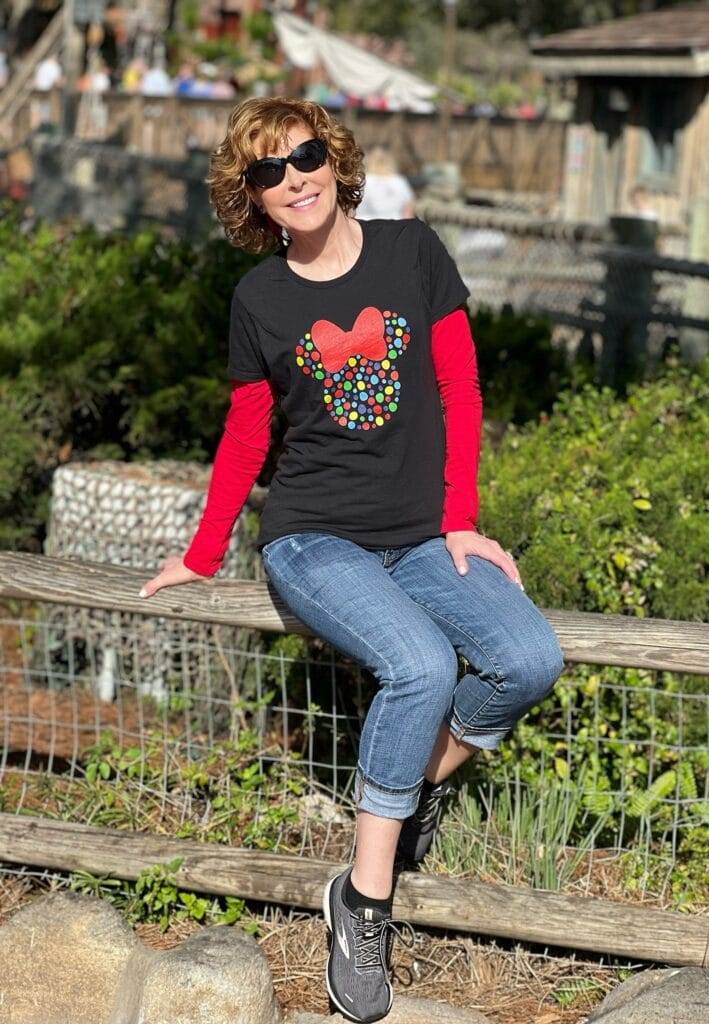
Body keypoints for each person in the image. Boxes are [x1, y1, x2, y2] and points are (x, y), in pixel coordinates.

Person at [138, 97, 565, 1023]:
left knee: (530, 659)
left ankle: (397, 798)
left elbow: (459, 388)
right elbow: (248, 433)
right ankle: (367, 904)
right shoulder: (260, 300)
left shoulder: (414, 252)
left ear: (332, 158)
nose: (292, 178)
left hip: (421, 534)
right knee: (418, 666)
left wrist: (461, 522)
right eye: (267, 171)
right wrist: (203, 554)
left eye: (302, 156)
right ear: (249, 196)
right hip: (312, 537)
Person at [355, 144, 415, 220]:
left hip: (364, 225)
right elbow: (408, 211)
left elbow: (351, 207)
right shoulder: (399, 181)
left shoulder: (361, 181)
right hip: (396, 226)